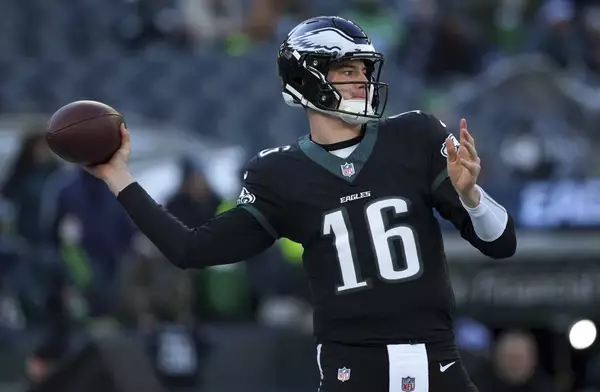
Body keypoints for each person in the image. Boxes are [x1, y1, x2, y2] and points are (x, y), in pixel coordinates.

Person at [84, 16, 516, 392]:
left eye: (364, 69)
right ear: (308, 78)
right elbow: (189, 250)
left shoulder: (415, 136)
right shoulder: (280, 173)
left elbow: (501, 244)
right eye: (348, 70)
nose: (363, 81)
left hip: (436, 357)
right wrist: (117, 175)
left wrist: (472, 196)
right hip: (352, 368)